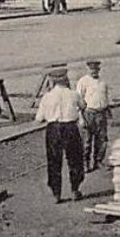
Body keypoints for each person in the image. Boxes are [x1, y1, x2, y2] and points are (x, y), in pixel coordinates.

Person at [35, 70, 85, 202]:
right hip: (70, 128)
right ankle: (75, 190)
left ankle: (56, 194)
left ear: (53, 81)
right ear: (66, 79)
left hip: (53, 129)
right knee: (75, 159)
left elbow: (39, 118)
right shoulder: (74, 94)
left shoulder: (47, 97)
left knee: (54, 161)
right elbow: (83, 106)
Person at [77, 60, 111, 172]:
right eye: (92, 69)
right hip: (88, 113)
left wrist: (108, 110)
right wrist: (81, 117)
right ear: (88, 69)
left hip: (101, 113)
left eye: (96, 69)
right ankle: (85, 163)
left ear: (99, 69)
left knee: (102, 140)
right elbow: (79, 99)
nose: (94, 71)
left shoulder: (103, 82)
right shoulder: (83, 81)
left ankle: (98, 161)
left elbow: (105, 97)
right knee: (87, 141)